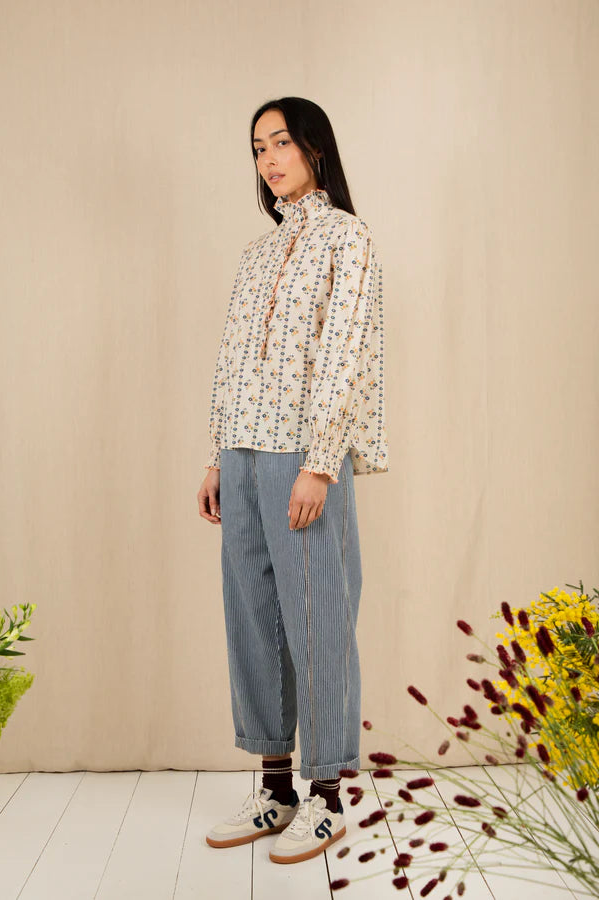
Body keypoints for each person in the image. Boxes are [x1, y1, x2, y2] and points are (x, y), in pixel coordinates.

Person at [197, 96, 389, 865]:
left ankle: (328, 797)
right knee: (253, 618)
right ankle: (275, 790)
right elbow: (231, 360)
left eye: (281, 142)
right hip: (242, 456)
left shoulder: (349, 239)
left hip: (301, 455)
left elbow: (344, 357)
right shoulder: (257, 252)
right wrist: (215, 455)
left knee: (318, 621)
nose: (269, 158)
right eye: (256, 148)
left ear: (314, 148)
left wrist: (319, 463)